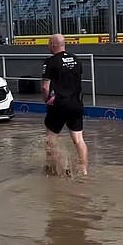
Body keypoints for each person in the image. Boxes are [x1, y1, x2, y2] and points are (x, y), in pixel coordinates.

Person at [41, 34, 88, 177]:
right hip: (76, 104)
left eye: (49, 43)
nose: (48, 46)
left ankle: (56, 168)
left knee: (51, 139)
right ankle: (83, 170)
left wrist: (46, 100)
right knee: (78, 139)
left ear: (53, 44)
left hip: (59, 105)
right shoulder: (76, 59)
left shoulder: (50, 62)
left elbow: (45, 87)